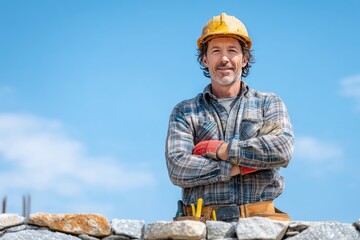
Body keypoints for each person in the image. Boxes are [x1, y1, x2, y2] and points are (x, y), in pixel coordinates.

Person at [165, 13, 294, 222]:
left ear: (244, 59)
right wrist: (240, 167)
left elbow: (282, 149)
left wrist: (221, 150)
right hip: (202, 225)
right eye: (216, 51)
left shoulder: (268, 103)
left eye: (232, 50)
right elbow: (178, 167)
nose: (224, 58)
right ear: (205, 59)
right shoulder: (185, 111)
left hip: (260, 223)